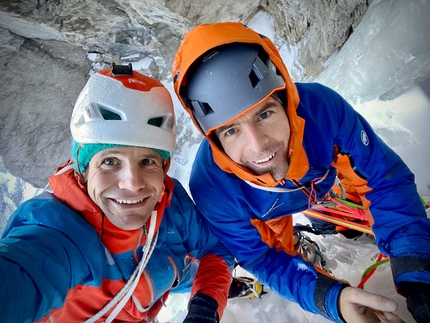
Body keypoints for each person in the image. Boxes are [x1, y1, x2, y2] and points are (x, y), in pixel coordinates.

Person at [172, 22, 430, 323]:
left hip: (318, 181)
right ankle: (313, 235)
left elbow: (384, 180)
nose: (258, 146)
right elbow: (263, 258)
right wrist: (331, 298)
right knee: (284, 250)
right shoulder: (213, 189)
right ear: (213, 139)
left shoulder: (322, 111)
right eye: (231, 130)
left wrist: (418, 274)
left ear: (286, 100)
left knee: (348, 216)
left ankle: (331, 225)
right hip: (271, 208)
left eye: (264, 114)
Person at [0, 64, 234, 323]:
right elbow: (22, 276)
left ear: (164, 167)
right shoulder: (59, 233)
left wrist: (206, 302)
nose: (132, 184)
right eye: (110, 161)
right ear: (83, 170)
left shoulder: (171, 203)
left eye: (147, 161)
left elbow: (215, 247)